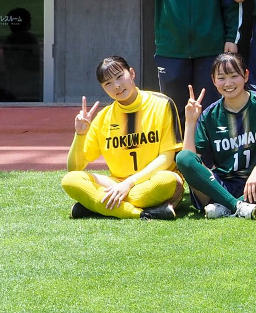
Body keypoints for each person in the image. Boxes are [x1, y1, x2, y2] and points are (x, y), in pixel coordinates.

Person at [174, 52, 256, 219]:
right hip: (221, 185)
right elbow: (191, 159)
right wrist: (190, 122)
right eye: (222, 78)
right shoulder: (209, 114)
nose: (228, 83)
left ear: (246, 76)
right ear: (213, 80)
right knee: (183, 157)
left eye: (234, 76)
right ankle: (236, 205)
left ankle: (227, 207)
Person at [61, 56, 184, 220]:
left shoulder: (162, 104)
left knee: (167, 181)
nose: (116, 86)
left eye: (120, 77)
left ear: (132, 73)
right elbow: (74, 168)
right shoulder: (103, 117)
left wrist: (129, 184)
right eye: (108, 84)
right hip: (116, 183)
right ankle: (142, 213)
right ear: (103, 88)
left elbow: (167, 158)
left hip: (154, 179)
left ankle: (97, 205)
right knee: (70, 180)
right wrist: (80, 134)